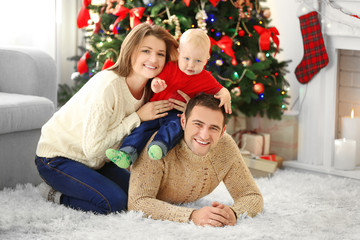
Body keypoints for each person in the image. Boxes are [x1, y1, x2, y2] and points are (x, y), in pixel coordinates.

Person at [34, 23, 182, 214]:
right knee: (115, 203)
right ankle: (54, 194)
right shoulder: (108, 87)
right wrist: (137, 117)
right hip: (58, 158)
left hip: (98, 161)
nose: (153, 59)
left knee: (139, 196)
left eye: (160, 54)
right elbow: (93, 150)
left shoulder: (152, 88)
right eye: (146, 51)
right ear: (130, 51)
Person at [128, 93, 263, 227]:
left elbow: (251, 195)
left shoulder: (225, 147)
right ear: (183, 122)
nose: (204, 135)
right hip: (121, 173)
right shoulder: (158, 146)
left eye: (214, 128)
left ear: (222, 131)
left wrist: (233, 213)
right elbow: (138, 202)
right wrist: (192, 215)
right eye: (198, 124)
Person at [106, 28, 232, 168]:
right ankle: (127, 153)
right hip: (155, 109)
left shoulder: (206, 78)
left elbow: (220, 89)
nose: (191, 65)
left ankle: (160, 146)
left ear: (206, 60)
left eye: (198, 61)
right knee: (142, 129)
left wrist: (226, 94)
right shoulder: (170, 67)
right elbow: (156, 81)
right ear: (179, 54)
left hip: (177, 114)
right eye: (186, 59)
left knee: (175, 127)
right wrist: (156, 86)